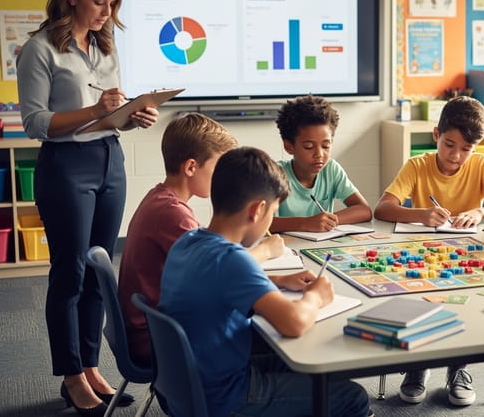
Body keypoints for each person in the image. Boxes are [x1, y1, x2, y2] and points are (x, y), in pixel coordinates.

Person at [16, 0, 158, 416]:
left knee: (101, 270)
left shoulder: (105, 47)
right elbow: (36, 123)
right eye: (99, 2)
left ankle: (93, 365)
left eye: (112, 4)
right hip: (65, 164)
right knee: (70, 272)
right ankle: (71, 374)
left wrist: (132, 116)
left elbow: (107, 113)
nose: (106, 13)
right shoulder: (40, 49)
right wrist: (97, 111)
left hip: (108, 158)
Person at [159, 147, 370, 417]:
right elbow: (294, 323)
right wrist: (316, 296)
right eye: (273, 212)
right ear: (258, 210)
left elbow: (216, 283)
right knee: (352, 396)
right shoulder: (232, 259)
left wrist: (279, 280)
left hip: (187, 387)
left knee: (310, 365)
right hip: (226, 396)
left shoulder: (188, 241)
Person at [374, 95, 484, 406]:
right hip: (422, 255)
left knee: (468, 301)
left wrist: (480, 213)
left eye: (466, 149)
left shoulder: (479, 166)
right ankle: (418, 366)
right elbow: (383, 208)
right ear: (436, 135)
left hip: (466, 256)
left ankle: (458, 368)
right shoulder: (417, 165)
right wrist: (421, 214)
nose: (456, 156)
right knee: (418, 298)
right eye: (450, 144)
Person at [118, 113, 244, 365]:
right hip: (160, 340)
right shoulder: (173, 214)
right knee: (257, 329)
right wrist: (265, 253)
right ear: (190, 167)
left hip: (156, 328)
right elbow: (219, 269)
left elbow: (209, 250)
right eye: (219, 168)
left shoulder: (160, 197)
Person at [270, 95, 372, 233]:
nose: (319, 154)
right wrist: (305, 223)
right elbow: (261, 224)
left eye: (326, 146)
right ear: (289, 147)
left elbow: (364, 210)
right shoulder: (275, 175)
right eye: (309, 147)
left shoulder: (331, 169)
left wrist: (330, 220)